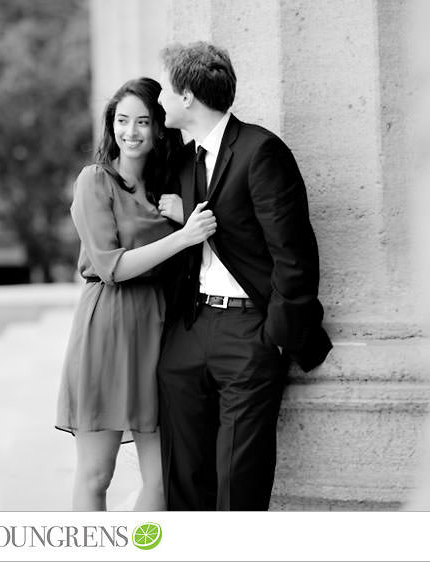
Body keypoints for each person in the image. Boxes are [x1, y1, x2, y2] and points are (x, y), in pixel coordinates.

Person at [155, 41, 332, 511]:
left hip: (249, 334)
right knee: (185, 478)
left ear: (188, 96)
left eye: (167, 95)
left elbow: (294, 254)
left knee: (239, 482)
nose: (161, 105)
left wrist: (273, 337)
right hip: (190, 331)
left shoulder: (261, 151)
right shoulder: (186, 159)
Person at [55, 77, 217, 511]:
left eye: (143, 122)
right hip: (107, 328)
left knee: (163, 482)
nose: (132, 131)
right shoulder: (94, 182)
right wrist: (183, 237)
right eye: (123, 121)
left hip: (159, 333)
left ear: (158, 129)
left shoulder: (170, 188)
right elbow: (111, 266)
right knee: (96, 474)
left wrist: (183, 217)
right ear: (111, 127)